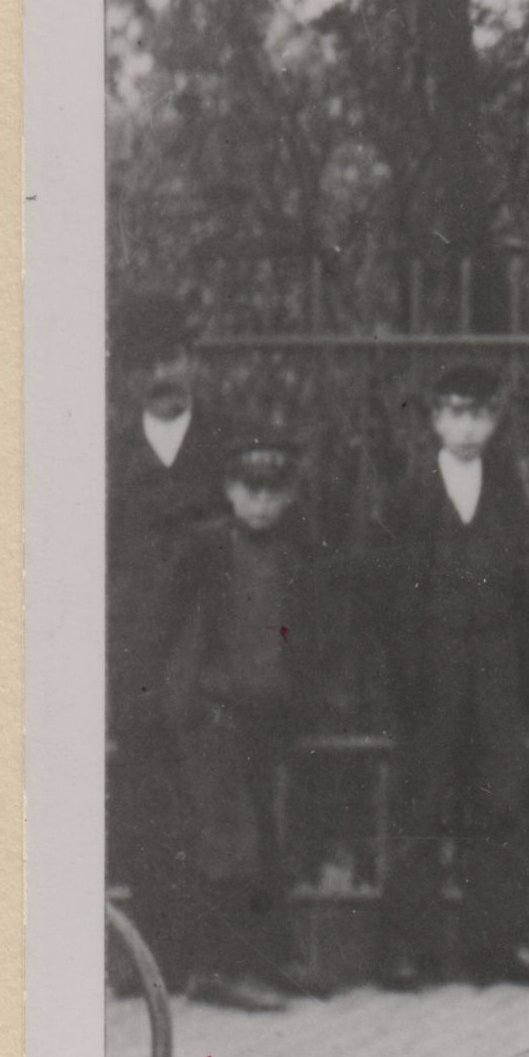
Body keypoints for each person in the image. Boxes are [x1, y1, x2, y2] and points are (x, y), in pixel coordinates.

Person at [365, 360, 529, 986]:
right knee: (421, 810)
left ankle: (499, 946)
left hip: (497, 679)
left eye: (479, 414)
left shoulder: (507, 493)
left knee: (499, 806)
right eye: (456, 413)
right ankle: (407, 950)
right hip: (430, 682)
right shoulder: (410, 494)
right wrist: (403, 675)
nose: (468, 427)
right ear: (435, 419)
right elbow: (388, 592)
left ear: (495, 421)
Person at [140, 433, 342, 1012]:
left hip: (264, 716)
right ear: (230, 490)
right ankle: (214, 969)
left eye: (273, 492)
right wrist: (168, 700)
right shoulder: (203, 548)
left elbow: (304, 634)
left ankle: (272, 958)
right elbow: (160, 627)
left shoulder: (293, 553)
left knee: (267, 839)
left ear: (288, 497)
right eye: (251, 490)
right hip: (211, 713)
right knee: (228, 842)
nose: (261, 502)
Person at [107, 291, 233, 974]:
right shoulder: (110, 453)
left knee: (208, 798)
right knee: (145, 801)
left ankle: (210, 958)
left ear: (193, 361)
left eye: (174, 357)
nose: (163, 374)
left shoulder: (226, 445)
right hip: (136, 653)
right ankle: (151, 960)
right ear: (130, 373)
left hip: (206, 649)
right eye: (149, 362)